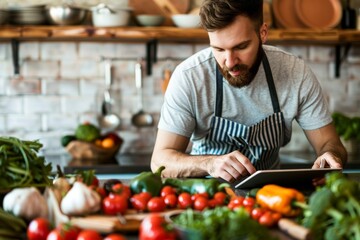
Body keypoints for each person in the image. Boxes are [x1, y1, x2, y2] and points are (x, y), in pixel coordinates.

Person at [151, 0, 347, 182]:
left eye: (241, 47)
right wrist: (209, 163)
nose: (229, 62)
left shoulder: (295, 72)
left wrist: (331, 156)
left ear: (262, 33)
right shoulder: (190, 77)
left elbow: (330, 144)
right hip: (206, 195)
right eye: (218, 49)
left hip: (270, 196)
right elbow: (160, 162)